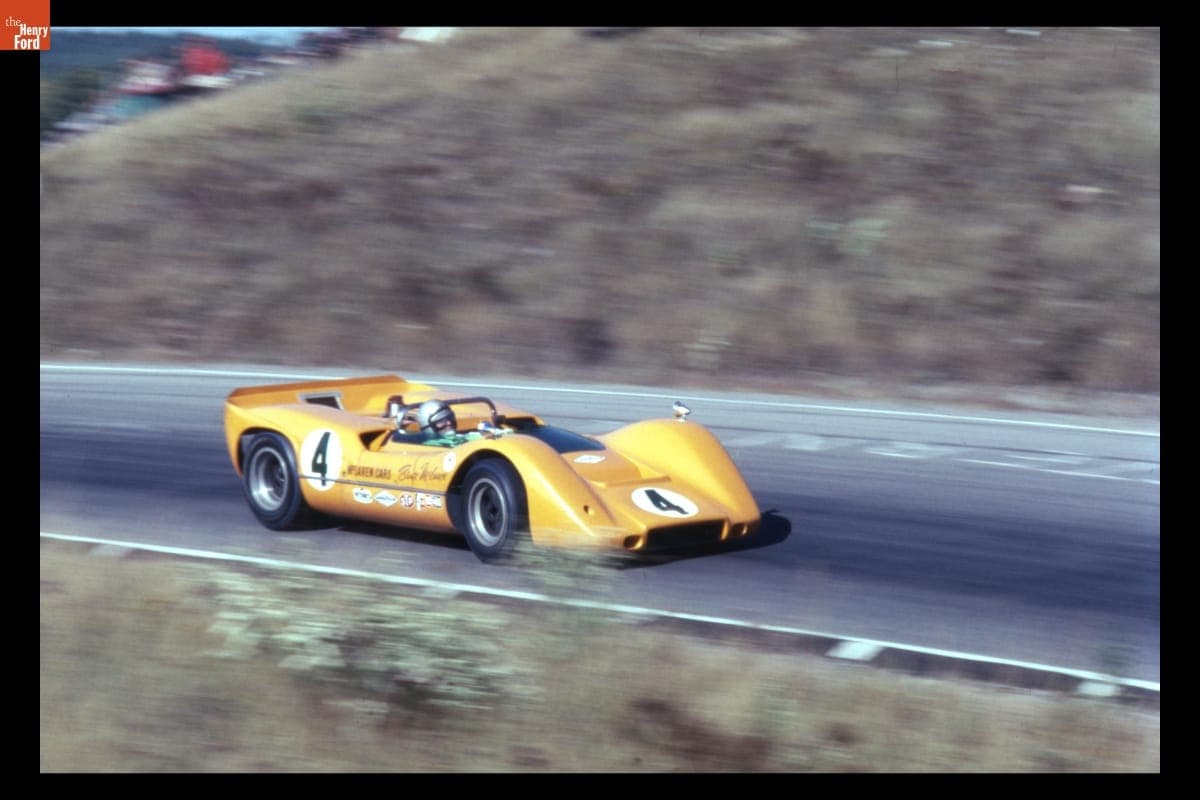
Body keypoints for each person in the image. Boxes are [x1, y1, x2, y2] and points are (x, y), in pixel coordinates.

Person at [414, 399, 483, 448]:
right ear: (428, 426)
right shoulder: (430, 446)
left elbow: (469, 436)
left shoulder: (459, 438)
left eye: (450, 417)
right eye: (441, 421)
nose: (449, 423)